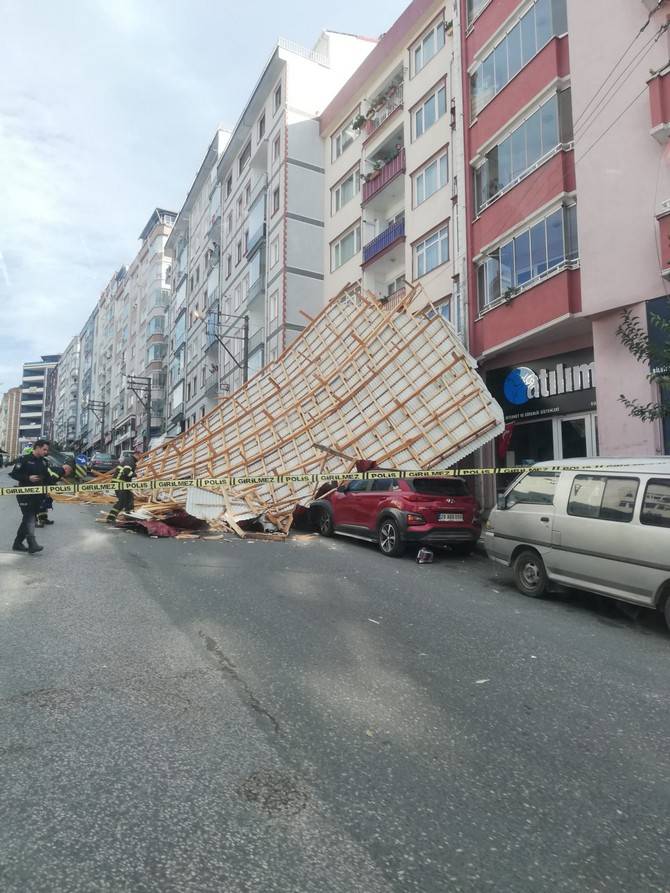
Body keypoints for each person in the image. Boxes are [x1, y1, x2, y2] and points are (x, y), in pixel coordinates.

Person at [9, 438, 72, 554]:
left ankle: (17, 543)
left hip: (38, 495)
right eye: (44, 449)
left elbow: (47, 478)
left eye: (47, 450)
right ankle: (32, 543)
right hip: (24, 493)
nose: (46, 452)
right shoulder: (24, 459)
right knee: (30, 517)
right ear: (37, 448)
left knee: (28, 518)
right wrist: (28, 478)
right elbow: (14, 474)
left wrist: (54, 488)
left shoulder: (44, 462)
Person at [106, 448, 142, 525]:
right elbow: (126, 472)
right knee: (122, 501)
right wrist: (136, 475)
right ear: (137, 454)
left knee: (130, 499)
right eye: (140, 456)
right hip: (120, 483)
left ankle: (129, 516)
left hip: (124, 484)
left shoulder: (131, 461)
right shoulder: (130, 461)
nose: (140, 458)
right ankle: (110, 518)